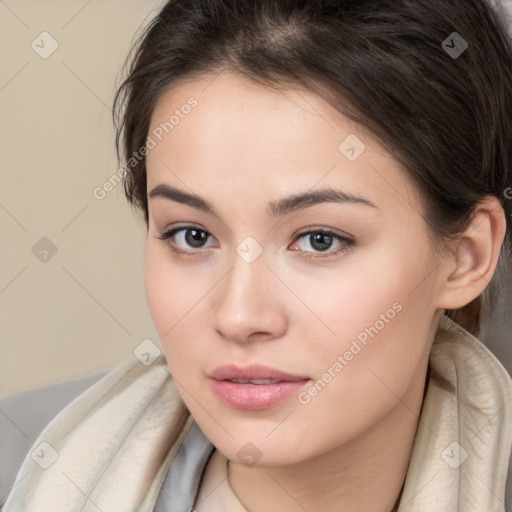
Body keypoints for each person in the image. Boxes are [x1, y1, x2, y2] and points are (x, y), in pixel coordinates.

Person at [3, 0, 512, 510]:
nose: (239, 316)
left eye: (320, 239)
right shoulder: (23, 470)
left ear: (467, 256)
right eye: (192, 236)